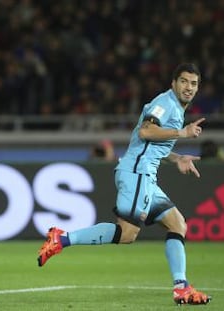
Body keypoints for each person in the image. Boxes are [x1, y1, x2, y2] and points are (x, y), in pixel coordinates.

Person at [37, 63, 211, 305]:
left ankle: (181, 287)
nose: (189, 87)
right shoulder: (166, 103)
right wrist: (182, 134)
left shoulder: (176, 109)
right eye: (184, 81)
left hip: (145, 175)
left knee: (177, 224)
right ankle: (62, 238)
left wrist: (177, 157)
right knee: (128, 234)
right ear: (173, 83)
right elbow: (146, 132)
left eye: (193, 83)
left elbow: (152, 146)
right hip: (137, 173)